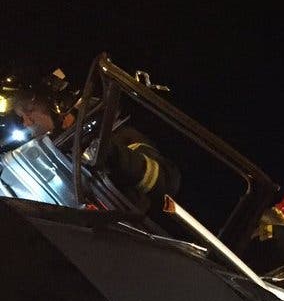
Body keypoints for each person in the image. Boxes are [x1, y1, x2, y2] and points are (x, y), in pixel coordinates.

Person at [1, 67, 179, 212]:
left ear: (57, 105)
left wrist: (112, 153)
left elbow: (167, 181)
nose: (26, 122)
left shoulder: (117, 134)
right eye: (21, 116)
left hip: (113, 238)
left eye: (29, 110)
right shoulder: (48, 153)